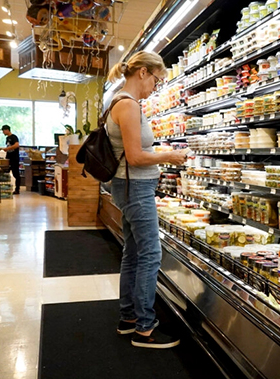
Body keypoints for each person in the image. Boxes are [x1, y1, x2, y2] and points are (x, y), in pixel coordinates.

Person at [107, 51, 188, 349]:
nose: (156, 86)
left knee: (133, 252)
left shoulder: (118, 100)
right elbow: (136, 156)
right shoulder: (127, 105)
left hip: (127, 185)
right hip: (136, 188)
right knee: (151, 254)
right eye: (157, 80)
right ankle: (144, 327)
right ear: (142, 72)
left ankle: (129, 318)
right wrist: (169, 155)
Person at [0, 125, 21, 195]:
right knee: (5, 172)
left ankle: (17, 189)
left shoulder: (14, 137)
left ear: (7, 130)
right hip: (9, 158)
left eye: (3, 131)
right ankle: (6, 188)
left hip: (14, 158)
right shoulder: (7, 138)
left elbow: (16, 145)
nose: (3, 132)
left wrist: (8, 149)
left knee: (16, 174)